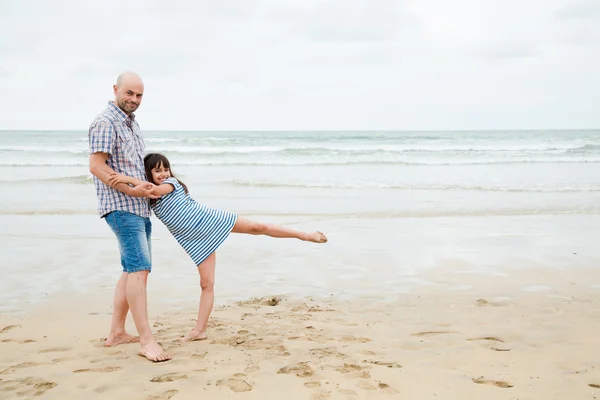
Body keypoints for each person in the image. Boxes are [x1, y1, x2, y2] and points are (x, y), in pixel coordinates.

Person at [107, 152, 328, 341]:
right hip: (194, 240)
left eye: (166, 169)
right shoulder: (150, 200)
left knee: (258, 226)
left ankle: (304, 235)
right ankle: (199, 330)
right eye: (157, 171)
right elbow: (144, 193)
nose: (163, 173)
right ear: (148, 174)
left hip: (210, 220)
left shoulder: (170, 185)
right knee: (206, 283)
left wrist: (124, 178)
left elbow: (153, 190)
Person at [88, 72, 171, 362]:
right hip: (122, 207)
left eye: (139, 96)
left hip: (138, 207)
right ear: (115, 90)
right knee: (140, 268)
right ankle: (146, 341)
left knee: (131, 268)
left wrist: (150, 186)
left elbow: (132, 166)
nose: (134, 100)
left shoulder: (132, 125)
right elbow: (96, 166)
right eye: (129, 94)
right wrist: (131, 189)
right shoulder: (105, 122)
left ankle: (117, 332)